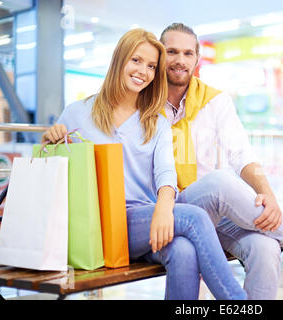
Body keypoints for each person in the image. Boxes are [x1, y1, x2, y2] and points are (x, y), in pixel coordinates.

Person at [159, 23, 283, 299]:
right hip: (165, 211)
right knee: (220, 182)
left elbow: (242, 153)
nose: (180, 60)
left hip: (211, 214)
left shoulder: (214, 101)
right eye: (172, 52)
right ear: (160, 55)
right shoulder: (145, 100)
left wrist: (267, 195)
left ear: (197, 59)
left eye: (187, 53)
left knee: (266, 248)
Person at [41, 28, 246, 300]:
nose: (143, 71)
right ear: (119, 59)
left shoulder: (155, 121)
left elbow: (165, 172)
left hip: (143, 224)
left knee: (183, 251)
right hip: (97, 225)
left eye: (151, 66)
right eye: (136, 60)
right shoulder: (77, 112)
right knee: (194, 217)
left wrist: (163, 207)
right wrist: (50, 138)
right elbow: (52, 166)